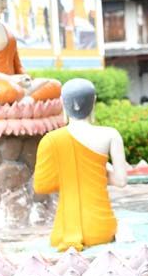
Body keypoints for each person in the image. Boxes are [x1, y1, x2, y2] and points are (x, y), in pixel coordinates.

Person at [34, 78, 129, 251]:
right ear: (94, 102)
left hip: (64, 232)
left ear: (63, 103)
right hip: (101, 229)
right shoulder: (110, 135)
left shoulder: (51, 140)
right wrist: (100, 166)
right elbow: (121, 181)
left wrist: (69, 170)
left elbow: (42, 186)